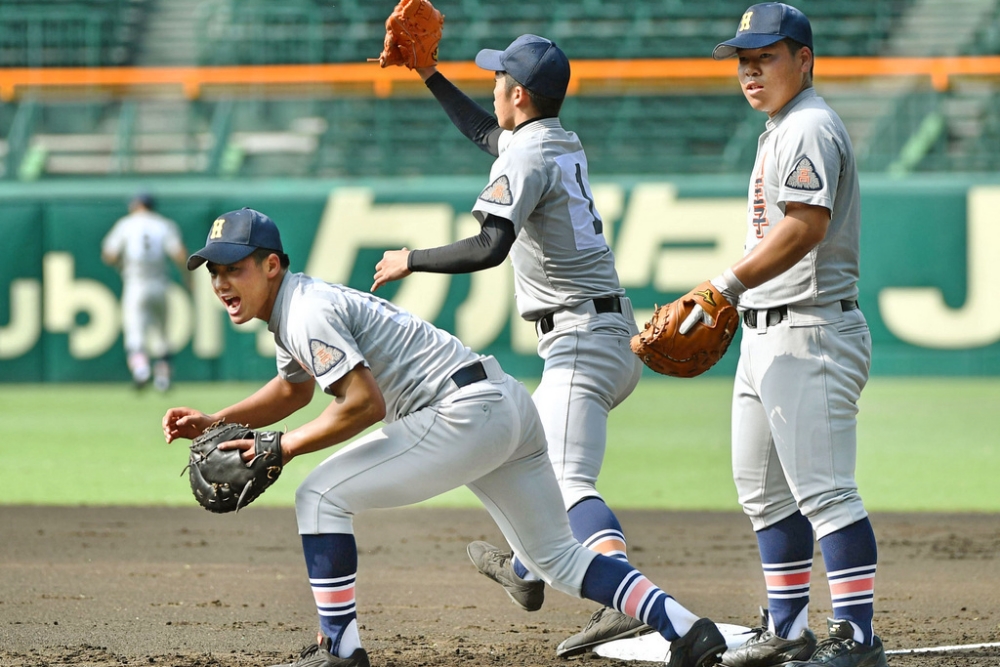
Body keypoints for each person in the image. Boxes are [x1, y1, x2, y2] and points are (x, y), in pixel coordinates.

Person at [161, 208, 728, 667]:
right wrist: (215, 420)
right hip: (502, 405)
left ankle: (340, 650)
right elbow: (295, 392)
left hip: (460, 413)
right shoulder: (297, 308)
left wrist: (280, 447)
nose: (220, 282)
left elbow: (363, 405)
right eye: (213, 271)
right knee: (556, 558)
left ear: (272, 266)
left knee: (319, 495)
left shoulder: (307, 311)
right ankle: (687, 629)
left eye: (233, 268)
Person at [370, 34, 648, 656]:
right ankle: (526, 571)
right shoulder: (553, 140)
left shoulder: (524, 158)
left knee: (565, 480)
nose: (491, 85)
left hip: (582, 339)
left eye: (497, 78)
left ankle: (619, 598)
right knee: (520, 454)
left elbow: (490, 247)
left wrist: (410, 259)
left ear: (517, 95)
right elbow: (482, 133)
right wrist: (428, 72)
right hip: (599, 333)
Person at [700, 5, 885, 667]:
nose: (751, 69)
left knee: (827, 491)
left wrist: (723, 284)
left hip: (809, 330)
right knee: (763, 491)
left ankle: (859, 638)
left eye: (767, 55)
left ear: (804, 59)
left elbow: (805, 226)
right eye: (744, 58)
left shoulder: (808, 124)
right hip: (766, 334)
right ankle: (789, 627)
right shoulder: (781, 126)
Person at [101, 191, 188, 391]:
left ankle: (141, 370)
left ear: (135, 204)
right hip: (159, 282)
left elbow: (109, 254)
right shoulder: (163, 224)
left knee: (135, 331)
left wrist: (121, 264)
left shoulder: (126, 224)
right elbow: (179, 253)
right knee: (162, 333)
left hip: (136, 283)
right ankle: (163, 378)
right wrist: (187, 277)